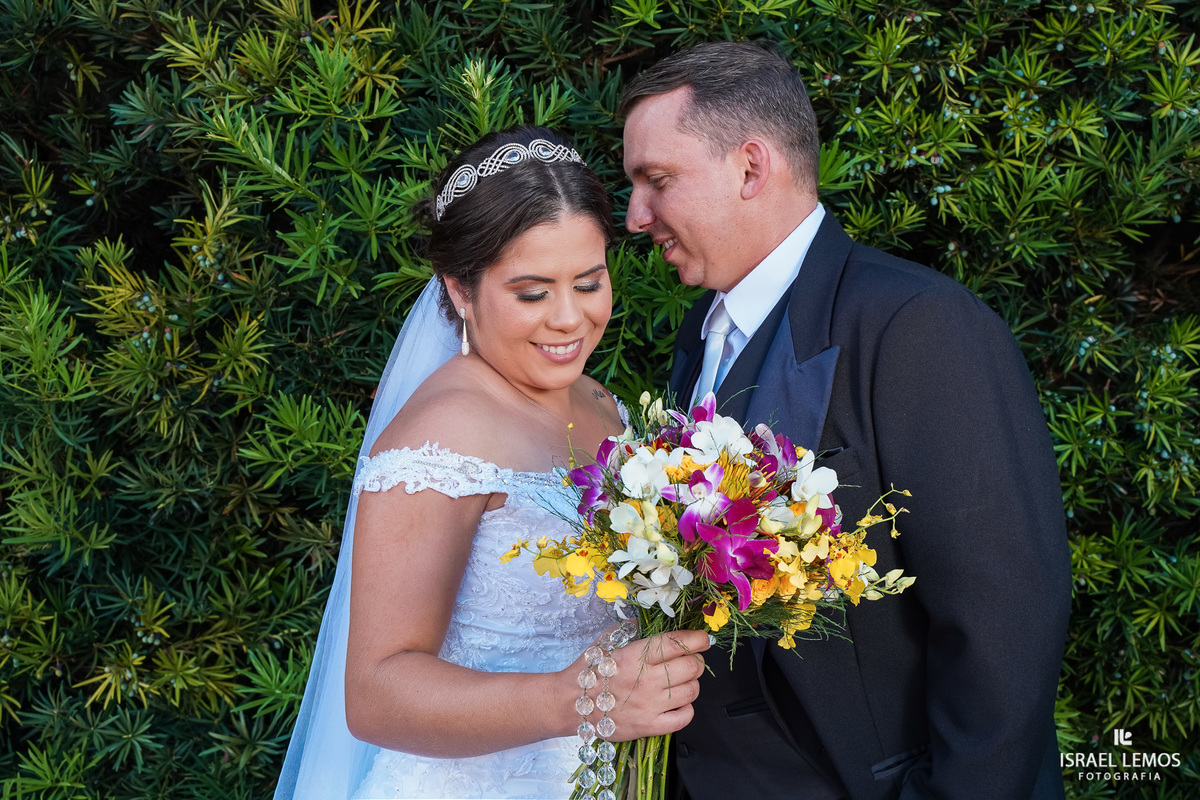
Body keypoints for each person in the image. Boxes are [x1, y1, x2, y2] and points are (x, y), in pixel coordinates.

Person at [619, 42, 1072, 800]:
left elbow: (1006, 621)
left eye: (656, 181)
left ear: (752, 168)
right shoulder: (703, 328)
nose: (635, 217)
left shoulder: (919, 325)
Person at [273, 126, 710, 800]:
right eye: (533, 293)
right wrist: (581, 699)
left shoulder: (601, 404)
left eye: (589, 283)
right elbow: (377, 693)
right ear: (460, 290)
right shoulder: (438, 440)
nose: (569, 319)